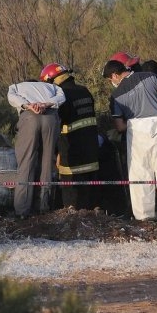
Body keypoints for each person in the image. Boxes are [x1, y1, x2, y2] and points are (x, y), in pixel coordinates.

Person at [102, 59, 157, 221]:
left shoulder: (116, 96)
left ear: (114, 75)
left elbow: (120, 126)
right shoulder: (150, 76)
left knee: (141, 177)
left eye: (110, 79)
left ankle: (144, 220)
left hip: (137, 131)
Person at [40, 63, 100, 210]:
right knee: (90, 192)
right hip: (91, 149)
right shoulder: (84, 91)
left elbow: (57, 125)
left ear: (51, 81)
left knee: (71, 195)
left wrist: (55, 152)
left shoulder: (61, 97)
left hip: (71, 151)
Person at [7, 79, 66, 218]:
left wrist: (28, 105)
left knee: (26, 162)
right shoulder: (52, 87)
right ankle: (44, 207)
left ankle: (22, 210)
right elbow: (62, 97)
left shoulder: (16, 86)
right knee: (47, 162)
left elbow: (12, 97)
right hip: (50, 118)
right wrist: (46, 104)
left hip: (29, 117)